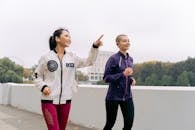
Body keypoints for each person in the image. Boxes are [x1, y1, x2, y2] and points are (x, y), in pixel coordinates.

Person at [34, 28, 103, 130]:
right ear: (57, 38)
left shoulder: (72, 57)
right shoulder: (46, 57)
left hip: (66, 101)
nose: (69, 38)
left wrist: (94, 47)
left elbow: (89, 61)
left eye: (70, 36)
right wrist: (43, 86)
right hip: (49, 101)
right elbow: (36, 75)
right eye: (66, 36)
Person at [103, 34, 136, 130]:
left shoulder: (130, 59)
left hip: (127, 97)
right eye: (124, 41)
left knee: (129, 123)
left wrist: (131, 79)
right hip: (113, 97)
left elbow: (127, 75)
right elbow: (106, 78)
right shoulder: (113, 59)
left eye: (128, 41)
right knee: (110, 123)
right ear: (118, 44)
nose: (127, 42)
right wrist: (122, 74)